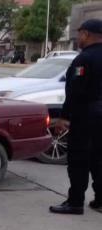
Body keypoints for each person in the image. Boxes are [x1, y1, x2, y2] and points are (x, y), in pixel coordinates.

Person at [50, 19, 102, 215]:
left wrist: (63, 117)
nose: (78, 37)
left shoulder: (84, 59)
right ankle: (100, 200)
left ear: (86, 34)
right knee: (99, 159)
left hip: (87, 117)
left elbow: (75, 91)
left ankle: (75, 202)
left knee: (79, 159)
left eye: (79, 33)